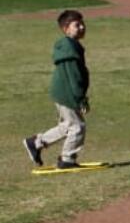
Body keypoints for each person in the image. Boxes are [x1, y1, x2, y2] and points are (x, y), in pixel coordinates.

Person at [23, 9, 91, 169]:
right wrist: (80, 98)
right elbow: (73, 76)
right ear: (66, 28)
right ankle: (67, 159)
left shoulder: (72, 46)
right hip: (67, 93)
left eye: (82, 24)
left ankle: (35, 143)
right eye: (77, 25)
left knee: (67, 125)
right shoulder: (69, 49)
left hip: (62, 92)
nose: (82, 27)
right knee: (77, 127)